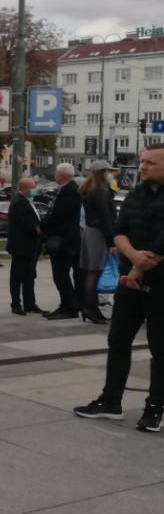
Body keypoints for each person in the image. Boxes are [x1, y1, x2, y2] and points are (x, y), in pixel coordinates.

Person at [74, 144, 164, 432]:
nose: (142, 166)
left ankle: (155, 408)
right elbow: (118, 229)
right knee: (118, 340)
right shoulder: (136, 194)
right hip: (131, 281)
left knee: (159, 347)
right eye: (142, 161)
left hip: (159, 282)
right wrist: (133, 257)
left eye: (150, 162)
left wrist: (139, 265)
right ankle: (111, 401)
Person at [79, 161, 119, 324]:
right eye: (109, 172)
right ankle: (90, 309)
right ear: (103, 173)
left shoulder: (90, 191)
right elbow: (105, 218)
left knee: (92, 272)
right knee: (94, 272)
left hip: (91, 232)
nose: (111, 175)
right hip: (98, 233)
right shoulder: (100, 193)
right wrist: (111, 241)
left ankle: (91, 308)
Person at [42, 163, 82, 320]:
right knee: (62, 275)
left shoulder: (68, 192)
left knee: (60, 275)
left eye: (56, 173)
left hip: (63, 240)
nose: (54, 175)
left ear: (62, 175)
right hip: (68, 239)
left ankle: (69, 307)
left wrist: (43, 226)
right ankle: (67, 305)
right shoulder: (71, 190)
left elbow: (58, 216)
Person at [6, 177, 44, 316]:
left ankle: (30, 304)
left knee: (29, 275)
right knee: (17, 276)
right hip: (21, 246)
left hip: (30, 246)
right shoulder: (19, 202)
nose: (35, 190)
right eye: (32, 187)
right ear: (24, 188)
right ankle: (16, 304)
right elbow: (28, 225)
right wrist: (40, 230)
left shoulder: (27, 201)